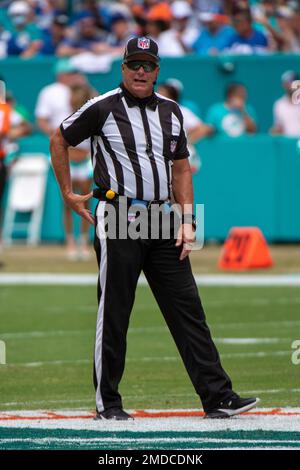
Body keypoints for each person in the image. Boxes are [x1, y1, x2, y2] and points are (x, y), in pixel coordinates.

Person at [50, 36, 259, 420]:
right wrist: (67, 192)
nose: (141, 71)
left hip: (163, 217)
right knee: (115, 310)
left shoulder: (173, 112)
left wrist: (188, 220)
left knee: (188, 309)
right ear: (123, 68)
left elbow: (180, 168)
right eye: (135, 65)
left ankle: (217, 396)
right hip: (119, 214)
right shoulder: (102, 108)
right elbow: (59, 138)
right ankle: (108, 403)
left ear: (158, 71)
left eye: (148, 65)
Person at [35, 59, 92, 258]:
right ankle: (70, 241)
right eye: (69, 73)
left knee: (86, 198)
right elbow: (42, 120)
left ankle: (84, 240)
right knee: (67, 199)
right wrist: (59, 140)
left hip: (85, 156)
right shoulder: (50, 92)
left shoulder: (87, 92)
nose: (72, 76)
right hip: (64, 155)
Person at [270, 70, 300, 137]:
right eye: (287, 83)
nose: (290, 86)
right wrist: (276, 130)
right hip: (287, 145)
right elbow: (279, 127)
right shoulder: (279, 105)